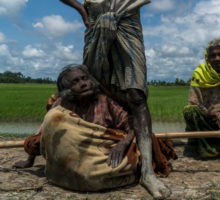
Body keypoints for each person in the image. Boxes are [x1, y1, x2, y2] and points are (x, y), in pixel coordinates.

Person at [58, 0, 171, 198]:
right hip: (95, 15)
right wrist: (82, 11)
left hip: (127, 15)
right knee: (94, 87)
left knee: (136, 95)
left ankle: (147, 173)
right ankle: (93, 146)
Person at [13, 65, 177, 193]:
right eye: (75, 82)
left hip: (99, 154)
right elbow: (45, 132)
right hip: (74, 156)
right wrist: (29, 160)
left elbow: (133, 126)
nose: (83, 83)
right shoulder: (62, 105)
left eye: (84, 78)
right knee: (52, 119)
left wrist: (123, 143)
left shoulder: (105, 102)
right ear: (67, 90)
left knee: (118, 163)